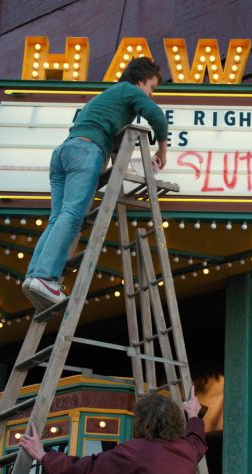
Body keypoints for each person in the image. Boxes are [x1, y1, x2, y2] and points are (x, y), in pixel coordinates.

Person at [22, 57, 169, 310]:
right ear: (140, 80)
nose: (150, 94)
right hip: (87, 151)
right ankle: (45, 277)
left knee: (58, 217)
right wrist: (162, 150)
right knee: (73, 215)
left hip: (64, 151)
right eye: (152, 87)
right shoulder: (129, 90)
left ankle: (35, 275)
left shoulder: (109, 97)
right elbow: (156, 115)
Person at [19, 389, 206, 474]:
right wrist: (193, 414)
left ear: (142, 420)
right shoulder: (187, 450)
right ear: (174, 420)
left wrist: (44, 456)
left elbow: (85, 470)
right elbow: (196, 440)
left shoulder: (135, 451)